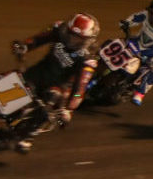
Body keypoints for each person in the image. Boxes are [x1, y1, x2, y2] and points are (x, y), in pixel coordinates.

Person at [9, 13, 100, 152]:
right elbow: (38, 39)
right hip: (41, 71)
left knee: (51, 98)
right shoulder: (59, 29)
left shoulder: (88, 59)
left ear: (87, 40)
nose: (72, 39)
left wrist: (69, 109)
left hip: (60, 85)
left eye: (77, 38)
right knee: (12, 79)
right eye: (71, 34)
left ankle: (28, 136)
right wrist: (24, 46)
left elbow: (80, 89)